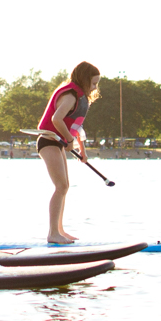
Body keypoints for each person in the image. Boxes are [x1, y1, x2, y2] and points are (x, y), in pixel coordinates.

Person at [34, 62, 100, 244]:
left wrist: (82, 149)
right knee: (61, 186)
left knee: (64, 187)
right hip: (48, 141)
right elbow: (56, 119)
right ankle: (53, 233)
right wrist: (69, 141)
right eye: (93, 83)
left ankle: (60, 231)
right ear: (84, 80)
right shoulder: (70, 95)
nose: (95, 88)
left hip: (58, 143)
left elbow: (77, 125)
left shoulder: (79, 98)